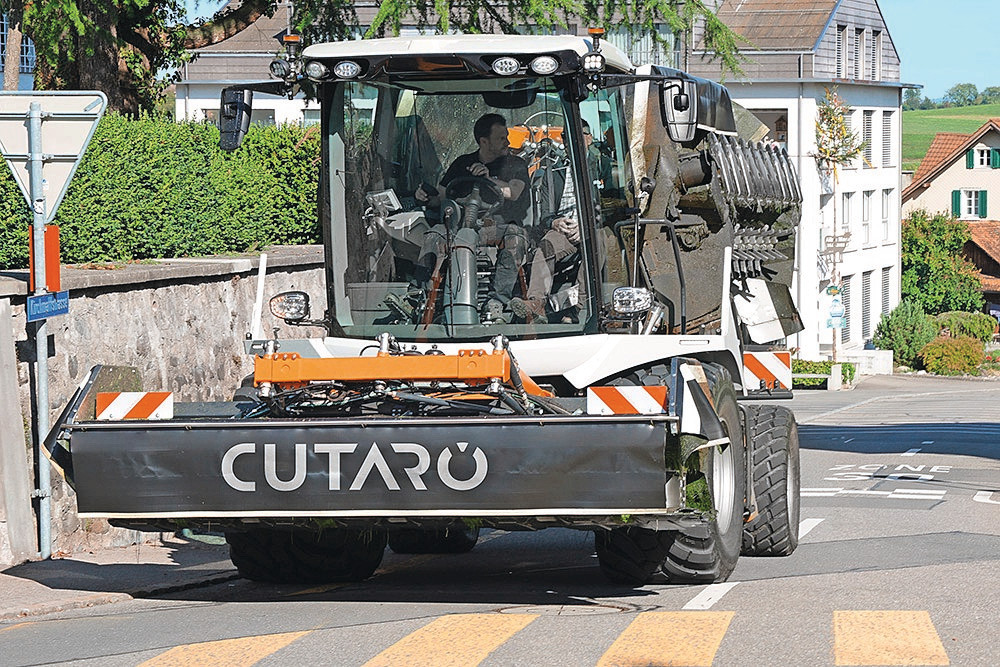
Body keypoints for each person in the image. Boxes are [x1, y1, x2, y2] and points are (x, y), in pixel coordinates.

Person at [415, 113, 531, 319]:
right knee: (432, 235)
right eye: (501, 138)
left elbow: (513, 192)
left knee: (516, 235)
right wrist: (424, 196)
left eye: (507, 136)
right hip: (457, 228)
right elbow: (440, 197)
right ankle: (419, 297)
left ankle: (497, 302)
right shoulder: (462, 163)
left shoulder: (516, 164)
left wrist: (488, 178)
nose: (508, 142)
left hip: (495, 228)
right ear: (483, 141)